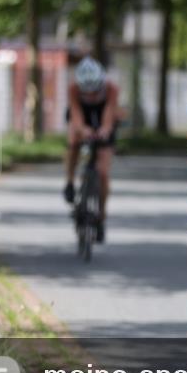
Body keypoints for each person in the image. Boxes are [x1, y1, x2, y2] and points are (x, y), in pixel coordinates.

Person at [63, 56, 120, 244]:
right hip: (82, 117)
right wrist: (83, 130)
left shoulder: (111, 89)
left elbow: (109, 113)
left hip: (103, 115)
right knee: (73, 141)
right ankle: (70, 182)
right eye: (86, 92)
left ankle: (101, 217)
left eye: (94, 91)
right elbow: (77, 115)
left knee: (103, 172)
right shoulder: (73, 89)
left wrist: (105, 130)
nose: (91, 95)